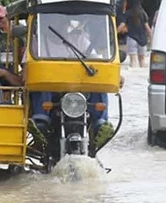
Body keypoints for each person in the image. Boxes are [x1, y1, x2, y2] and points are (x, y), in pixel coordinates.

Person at [23, 15, 115, 149]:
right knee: (42, 81)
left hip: (79, 89)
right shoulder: (37, 43)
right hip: (52, 92)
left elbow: (97, 63)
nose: (60, 24)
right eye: (55, 20)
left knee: (98, 84)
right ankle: (41, 121)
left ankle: (100, 124)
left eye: (63, 20)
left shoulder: (79, 40)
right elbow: (27, 71)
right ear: (46, 22)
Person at [118, 0, 152, 68]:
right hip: (143, 40)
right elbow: (147, 28)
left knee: (133, 59)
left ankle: (134, 73)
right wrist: (151, 38)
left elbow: (122, 25)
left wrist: (114, 33)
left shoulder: (127, 13)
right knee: (142, 59)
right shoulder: (143, 13)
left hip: (132, 38)